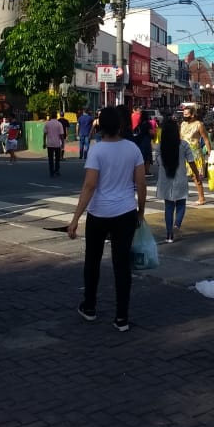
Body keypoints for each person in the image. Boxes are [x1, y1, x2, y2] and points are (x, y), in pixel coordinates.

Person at [67, 107, 147, 332]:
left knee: (92, 261)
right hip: (125, 212)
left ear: (100, 126)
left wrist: (75, 219)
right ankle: (122, 317)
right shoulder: (132, 149)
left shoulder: (97, 150)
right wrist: (140, 210)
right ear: (121, 126)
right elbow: (141, 183)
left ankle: (89, 307)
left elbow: (90, 185)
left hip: (99, 213)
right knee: (122, 265)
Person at [154, 118, 194, 243]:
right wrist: (196, 175)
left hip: (166, 181)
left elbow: (159, 163)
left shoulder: (160, 147)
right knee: (181, 204)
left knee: (169, 207)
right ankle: (177, 226)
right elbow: (191, 161)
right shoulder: (184, 145)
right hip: (180, 179)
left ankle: (169, 235)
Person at [179, 105, 212, 205]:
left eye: (186, 114)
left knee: (196, 177)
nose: (184, 116)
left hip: (195, 154)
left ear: (193, 115)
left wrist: (210, 152)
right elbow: (180, 137)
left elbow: (206, 139)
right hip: (183, 152)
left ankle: (201, 198)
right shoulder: (183, 124)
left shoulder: (199, 125)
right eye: (183, 114)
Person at [133, 109, 154, 176]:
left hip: (139, 141)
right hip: (146, 141)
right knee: (147, 157)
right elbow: (151, 133)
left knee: (141, 156)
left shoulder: (139, 125)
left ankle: (141, 171)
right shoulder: (148, 124)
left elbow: (134, 131)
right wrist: (153, 135)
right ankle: (147, 171)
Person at [44, 111, 65, 177]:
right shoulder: (59, 124)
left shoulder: (47, 124)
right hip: (57, 144)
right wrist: (63, 143)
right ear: (56, 116)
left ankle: (51, 172)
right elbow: (61, 135)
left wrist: (44, 142)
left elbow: (44, 134)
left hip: (49, 144)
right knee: (57, 158)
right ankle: (57, 170)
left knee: (50, 159)